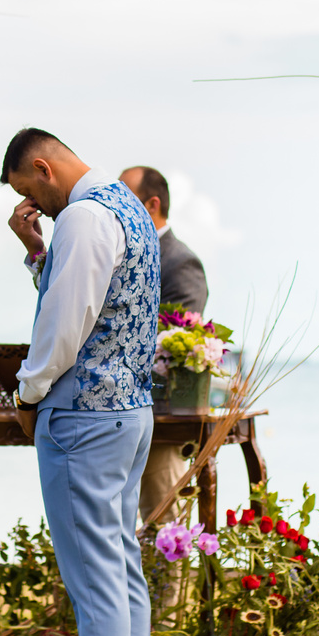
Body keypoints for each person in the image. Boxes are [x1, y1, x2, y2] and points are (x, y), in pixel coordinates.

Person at [2, 128, 160, 636]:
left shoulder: (83, 215)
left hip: (84, 419)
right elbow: (95, 300)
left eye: (29, 191)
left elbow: (65, 322)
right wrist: (36, 253)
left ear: (44, 169)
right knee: (120, 571)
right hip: (130, 413)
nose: (34, 206)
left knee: (95, 584)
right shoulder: (129, 208)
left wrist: (27, 395)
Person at [119, 166, 208, 525]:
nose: (116, 211)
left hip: (160, 416)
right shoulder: (122, 255)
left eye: (126, 201)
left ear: (152, 204)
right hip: (118, 413)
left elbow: (178, 337)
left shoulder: (179, 261)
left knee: (165, 527)